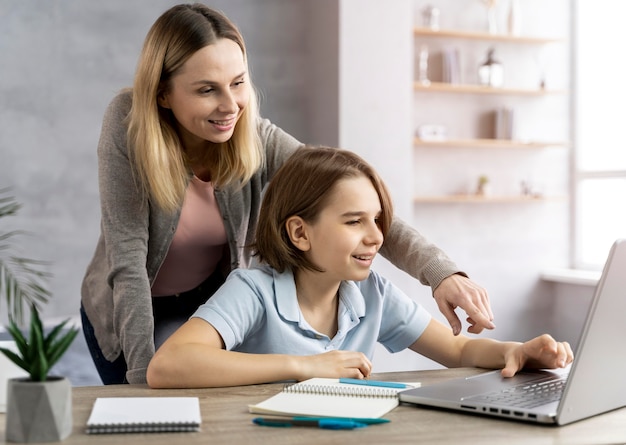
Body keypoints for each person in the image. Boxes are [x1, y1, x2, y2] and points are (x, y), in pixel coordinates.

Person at [80, 3, 494, 386]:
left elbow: (348, 194)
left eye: (238, 83)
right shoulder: (128, 124)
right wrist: (140, 380)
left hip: (210, 301)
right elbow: (128, 261)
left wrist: (442, 273)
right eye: (207, 90)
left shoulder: (255, 135)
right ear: (163, 93)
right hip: (129, 304)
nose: (231, 106)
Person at [146, 147, 572, 388]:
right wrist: (306, 366)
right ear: (300, 233)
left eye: (377, 219)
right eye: (354, 222)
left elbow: (457, 350)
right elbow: (168, 366)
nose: (376, 237)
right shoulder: (253, 290)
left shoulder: (373, 295)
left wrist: (513, 351)